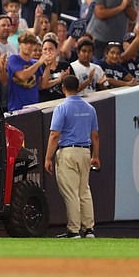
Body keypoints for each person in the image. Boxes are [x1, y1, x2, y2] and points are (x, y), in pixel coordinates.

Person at [44, 74, 99, 239]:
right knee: (84, 191)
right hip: (85, 151)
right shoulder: (90, 108)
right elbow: (95, 135)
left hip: (68, 151)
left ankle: (73, 230)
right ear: (78, 88)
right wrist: (95, 155)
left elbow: (55, 135)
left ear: (63, 88)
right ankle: (89, 229)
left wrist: (47, 158)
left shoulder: (62, 108)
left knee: (71, 192)